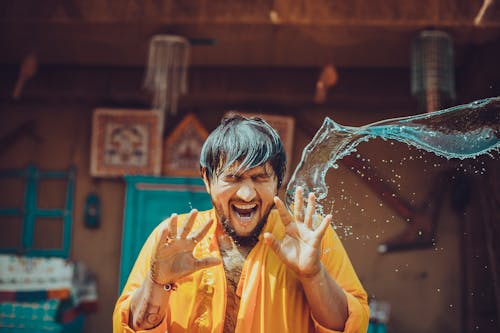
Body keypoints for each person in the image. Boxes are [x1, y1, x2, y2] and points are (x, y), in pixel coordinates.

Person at [113, 115, 369, 333]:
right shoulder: (172, 238)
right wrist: (158, 283)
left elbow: (351, 327)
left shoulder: (311, 238)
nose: (247, 195)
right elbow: (129, 327)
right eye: (233, 178)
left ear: (279, 180)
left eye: (260, 178)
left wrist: (313, 275)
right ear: (207, 178)